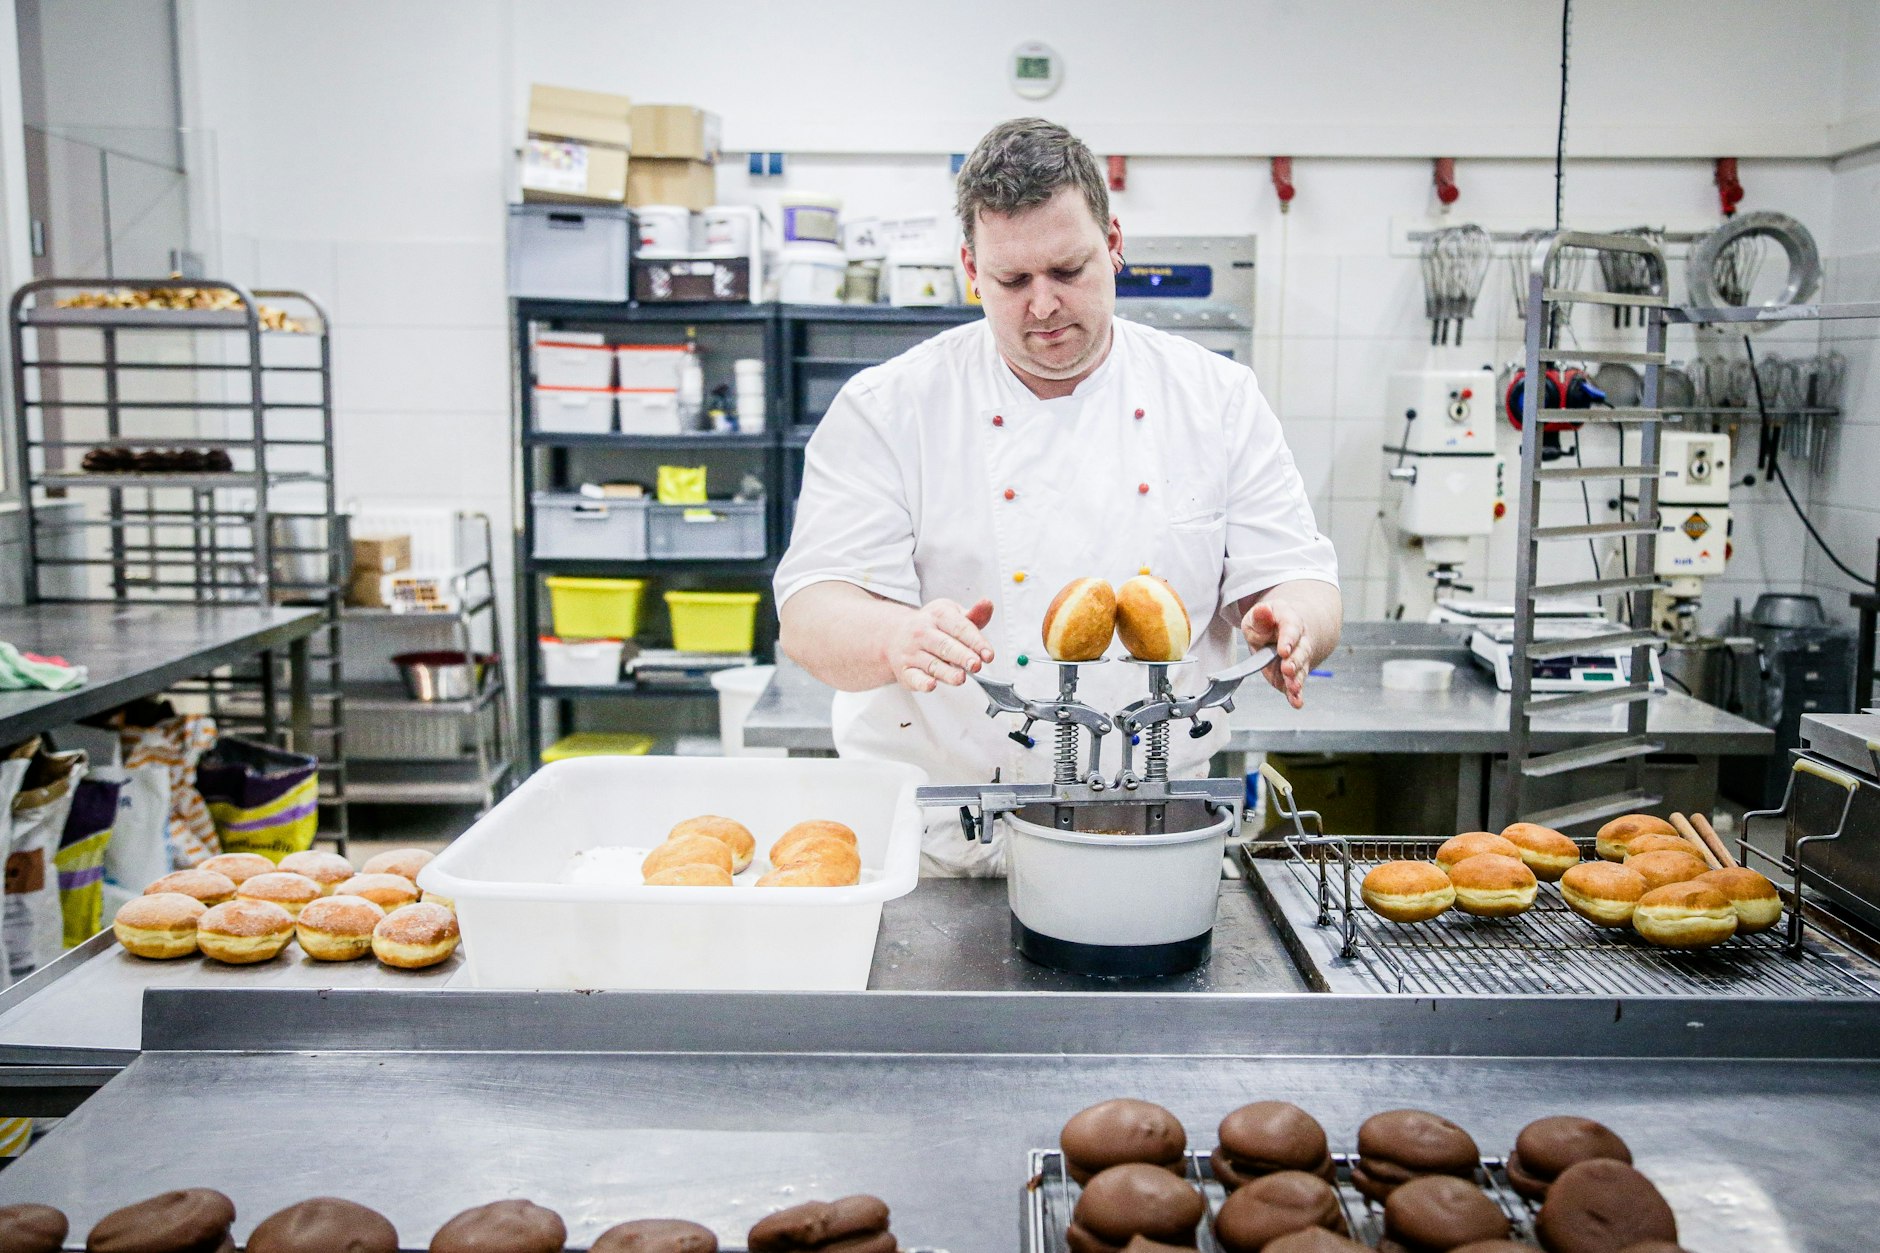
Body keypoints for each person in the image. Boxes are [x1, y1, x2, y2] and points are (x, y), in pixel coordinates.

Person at [774, 118, 1341, 876]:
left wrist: (1293, 620)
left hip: (1157, 832)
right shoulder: (890, 408)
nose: (1042, 305)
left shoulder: (1216, 398)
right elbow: (811, 613)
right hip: (943, 847)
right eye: (1012, 281)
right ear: (971, 269)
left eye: (1068, 270)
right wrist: (893, 636)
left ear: (1114, 243)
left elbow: (1302, 580)